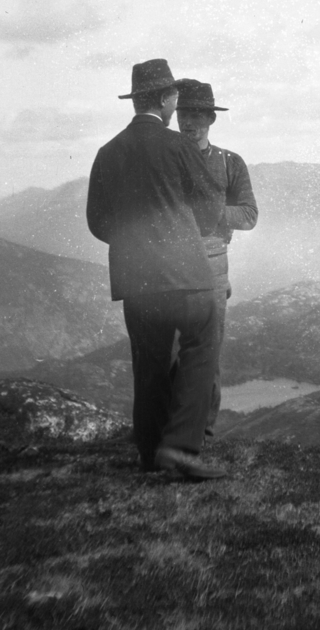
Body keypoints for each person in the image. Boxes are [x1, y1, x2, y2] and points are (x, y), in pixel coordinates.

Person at [86, 58, 227, 480]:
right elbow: (210, 206)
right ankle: (182, 448)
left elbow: (97, 221)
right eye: (174, 99)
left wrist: (135, 247)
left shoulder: (107, 152)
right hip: (187, 275)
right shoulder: (180, 146)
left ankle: (150, 456)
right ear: (167, 99)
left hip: (137, 280)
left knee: (148, 366)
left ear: (136, 101)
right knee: (202, 347)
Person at [175, 78, 258, 435]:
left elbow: (249, 215)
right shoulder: (165, 158)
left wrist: (212, 213)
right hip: (169, 260)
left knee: (207, 351)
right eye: (183, 114)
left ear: (211, 118)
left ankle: (203, 431)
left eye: (197, 114)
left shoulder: (230, 163)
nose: (189, 122)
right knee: (167, 349)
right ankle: (169, 429)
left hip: (212, 262)